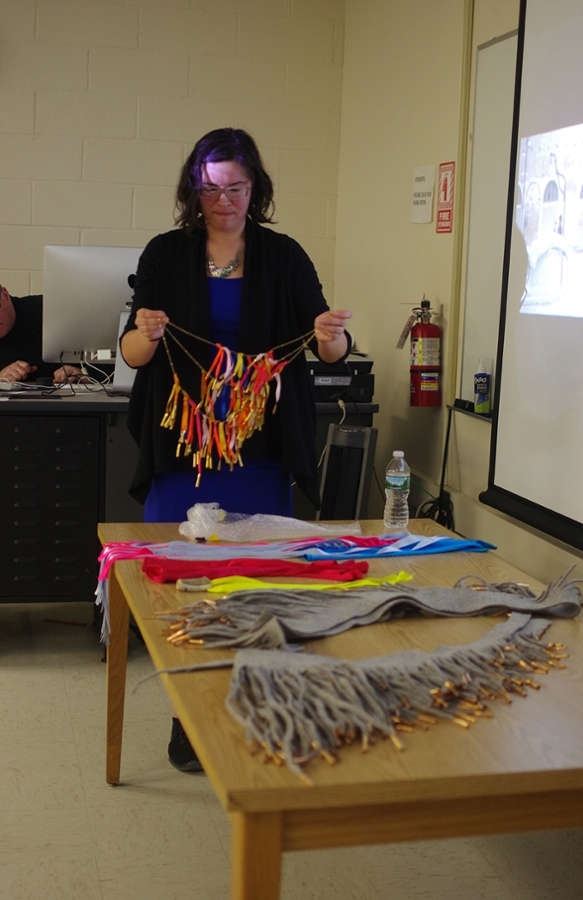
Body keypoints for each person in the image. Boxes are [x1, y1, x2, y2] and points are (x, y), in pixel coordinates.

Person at [121, 127, 352, 771]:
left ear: (257, 188)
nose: (224, 200)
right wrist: (142, 330)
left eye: (237, 188)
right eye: (212, 188)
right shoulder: (167, 254)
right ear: (194, 189)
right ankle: (185, 717)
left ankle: (254, 704)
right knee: (188, 585)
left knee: (255, 584)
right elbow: (134, 355)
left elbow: (329, 347)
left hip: (259, 446)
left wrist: (330, 333)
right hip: (185, 446)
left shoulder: (283, 256)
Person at [0, 284, 84, 383]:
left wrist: (83, 376)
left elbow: (101, 362)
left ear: (5, 295)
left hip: (68, 393)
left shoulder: (49, 310)